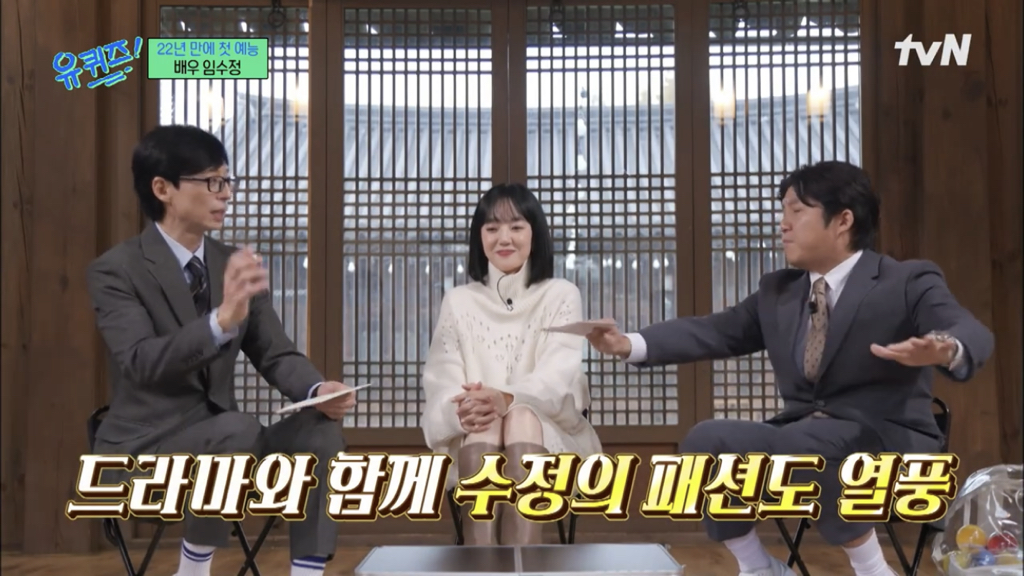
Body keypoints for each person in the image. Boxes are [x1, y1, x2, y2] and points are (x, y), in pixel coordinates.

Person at [586, 160, 993, 576]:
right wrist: (627, 344)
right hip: (801, 441)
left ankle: (873, 569)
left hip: (887, 446)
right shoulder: (778, 291)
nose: (783, 224)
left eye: (797, 211)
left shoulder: (905, 280)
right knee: (706, 441)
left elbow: (968, 330)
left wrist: (945, 348)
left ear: (843, 220)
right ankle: (759, 567)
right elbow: (716, 330)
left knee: (805, 445)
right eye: (783, 211)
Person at [87, 125, 354, 576]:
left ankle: (307, 572)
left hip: (231, 446)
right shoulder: (116, 270)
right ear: (163, 189)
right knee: (235, 428)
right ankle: (193, 569)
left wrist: (318, 389)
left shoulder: (232, 264)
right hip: (145, 451)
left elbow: (276, 354)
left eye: (228, 181)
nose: (226, 193)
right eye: (212, 181)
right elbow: (140, 361)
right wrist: (220, 322)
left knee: (318, 433)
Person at [420, 183, 602, 545]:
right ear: (480, 237)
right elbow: (442, 379)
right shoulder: (458, 300)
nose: (504, 238)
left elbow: (557, 378)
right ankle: (484, 555)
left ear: (535, 233)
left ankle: (520, 553)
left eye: (516, 226)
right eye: (492, 228)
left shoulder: (561, 294)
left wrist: (505, 398)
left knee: (519, 416)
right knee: (486, 424)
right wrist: (464, 411)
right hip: (473, 433)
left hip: (551, 432)